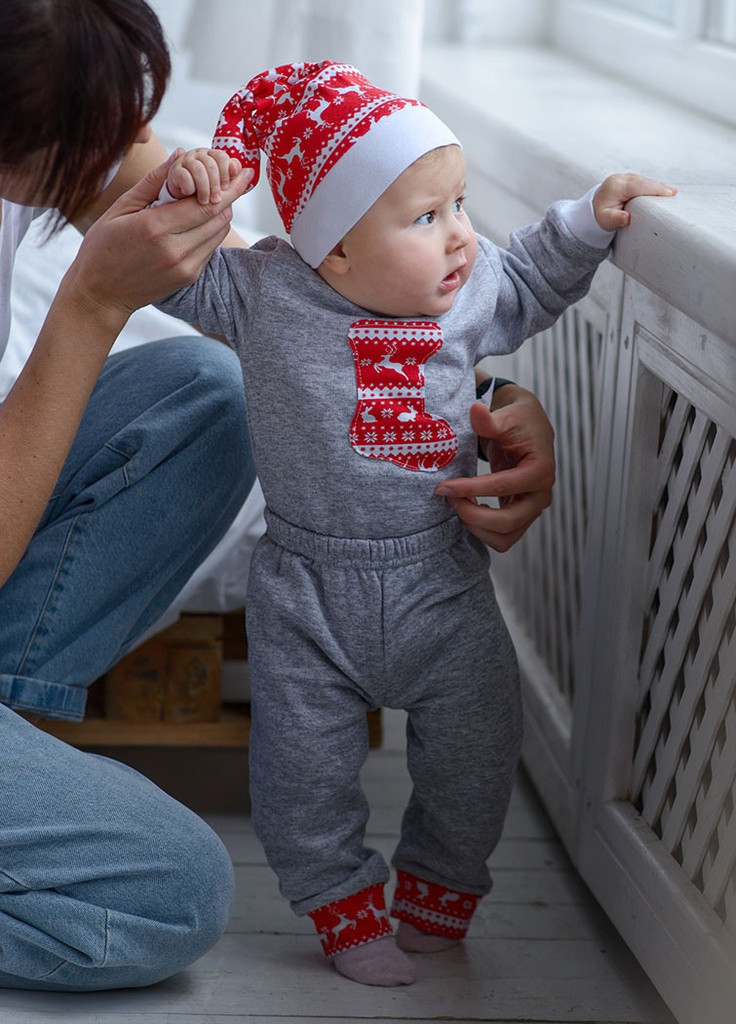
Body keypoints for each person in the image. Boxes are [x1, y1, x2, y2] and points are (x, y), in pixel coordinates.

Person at [0, 4, 560, 994]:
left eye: (129, 115)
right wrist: (90, 304)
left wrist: (489, 407)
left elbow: (315, 316)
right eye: (93, 134)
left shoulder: (56, 125)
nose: (137, 151)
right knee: (165, 893)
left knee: (204, 393)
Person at [157, 60, 676, 989]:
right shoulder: (264, 294)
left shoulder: (473, 297)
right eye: (427, 218)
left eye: (462, 205)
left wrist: (591, 218)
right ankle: (341, 907)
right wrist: (182, 186)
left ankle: (440, 890)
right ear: (336, 249)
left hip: (442, 578)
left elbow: (530, 275)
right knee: (301, 773)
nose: (462, 239)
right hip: (309, 590)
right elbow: (168, 264)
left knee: (478, 752)